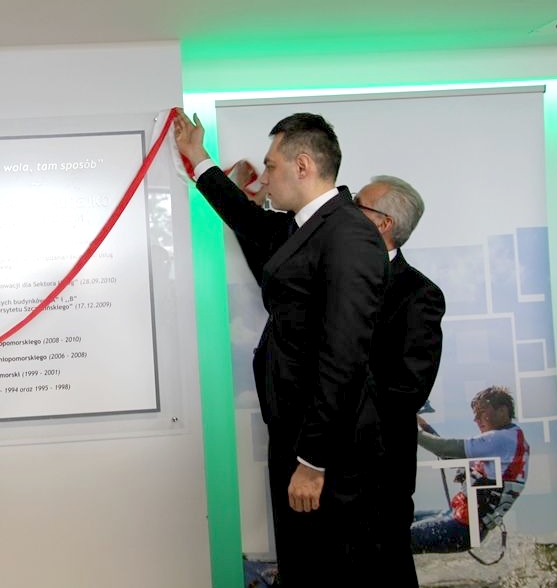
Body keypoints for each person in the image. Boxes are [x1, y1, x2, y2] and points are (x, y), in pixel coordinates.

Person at [174, 110, 389, 585]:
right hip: (297, 432)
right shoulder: (304, 226)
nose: (265, 177)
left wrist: (313, 461)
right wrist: (198, 158)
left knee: (332, 568)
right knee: (303, 564)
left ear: (303, 165)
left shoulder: (348, 235)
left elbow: (343, 357)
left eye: (271, 166)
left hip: (328, 450)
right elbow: (247, 218)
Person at [356, 175, 446, 585]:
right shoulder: (335, 278)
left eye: (358, 204)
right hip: (329, 463)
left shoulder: (419, 294)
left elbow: (408, 388)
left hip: (380, 463)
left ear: (384, 222)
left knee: (387, 566)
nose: (347, 210)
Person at [412, 386, 529, 554]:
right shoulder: (511, 439)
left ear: (502, 411)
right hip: (460, 518)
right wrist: (422, 424)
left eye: (481, 413)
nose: (475, 419)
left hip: (463, 527)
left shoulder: (502, 439)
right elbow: (448, 456)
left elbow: (443, 448)